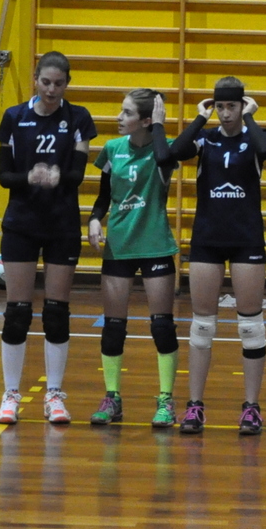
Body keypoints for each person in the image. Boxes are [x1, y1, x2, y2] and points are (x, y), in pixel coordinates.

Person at [0, 50, 98, 425]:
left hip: (61, 225)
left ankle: (54, 394)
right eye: (46, 82)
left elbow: (77, 175)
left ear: (67, 84)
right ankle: (10, 395)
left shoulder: (79, 118)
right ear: (35, 79)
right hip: (21, 222)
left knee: (56, 312)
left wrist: (56, 177)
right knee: (17, 312)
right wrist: (30, 177)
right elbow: (4, 176)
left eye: (59, 84)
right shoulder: (14, 117)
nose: (52, 90)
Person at [167, 77, 266, 436]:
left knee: (250, 326)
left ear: (242, 106)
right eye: (221, 106)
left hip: (246, 240)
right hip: (207, 240)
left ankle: (252, 407)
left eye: (232, 106)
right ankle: (195, 405)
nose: (226, 113)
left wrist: (250, 116)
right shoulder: (205, 138)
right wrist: (201, 117)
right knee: (202, 326)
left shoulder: (254, 137)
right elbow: (173, 152)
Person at [86, 89, 181, 428]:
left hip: (155, 244)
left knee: (162, 325)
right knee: (113, 326)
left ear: (145, 120)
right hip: (120, 246)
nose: (118, 117)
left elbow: (165, 157)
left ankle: (166, 400)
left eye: (126, 112)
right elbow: (103, 198)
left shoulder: (164, 149)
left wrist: (159, 125)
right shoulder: (112, 149)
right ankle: (112, 398)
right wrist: (94, 219)